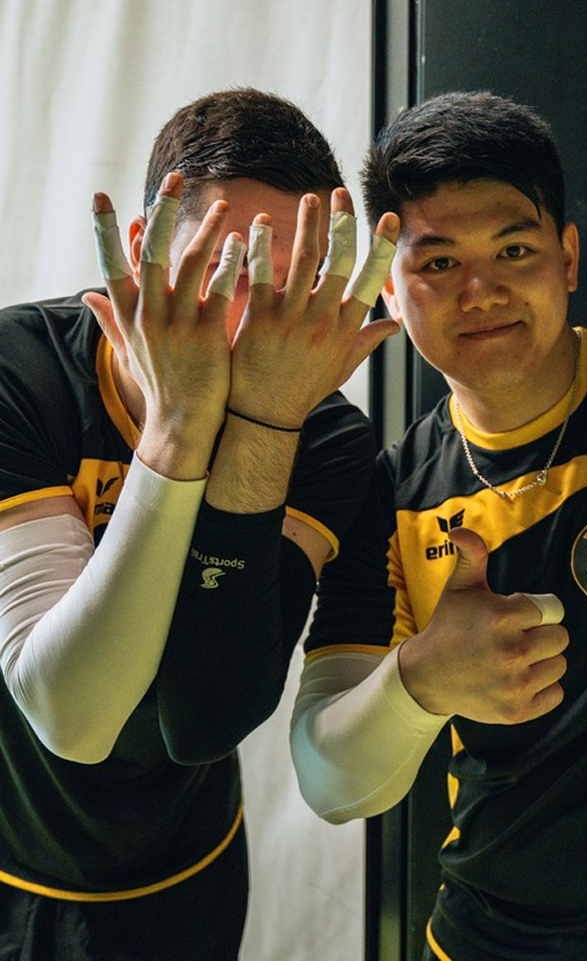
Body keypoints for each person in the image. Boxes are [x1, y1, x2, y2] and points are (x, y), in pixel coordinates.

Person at [290, 90, 587, 960]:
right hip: (484, 938)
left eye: (514, 249)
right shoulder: (386, 497)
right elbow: (328, 780)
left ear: (568, 257)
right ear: (389, 286)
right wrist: (419, 680)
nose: (482, 291)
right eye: (436, 265)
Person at [0, 87, 399, 960]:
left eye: (289, 285)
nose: (258, 322)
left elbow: (206, 717)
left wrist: (263, 428)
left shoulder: (325, 436)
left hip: (187, 874)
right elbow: (70, 716)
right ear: (141, 251)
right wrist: (177, 431)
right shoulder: (19, 372)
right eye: (227, 268)